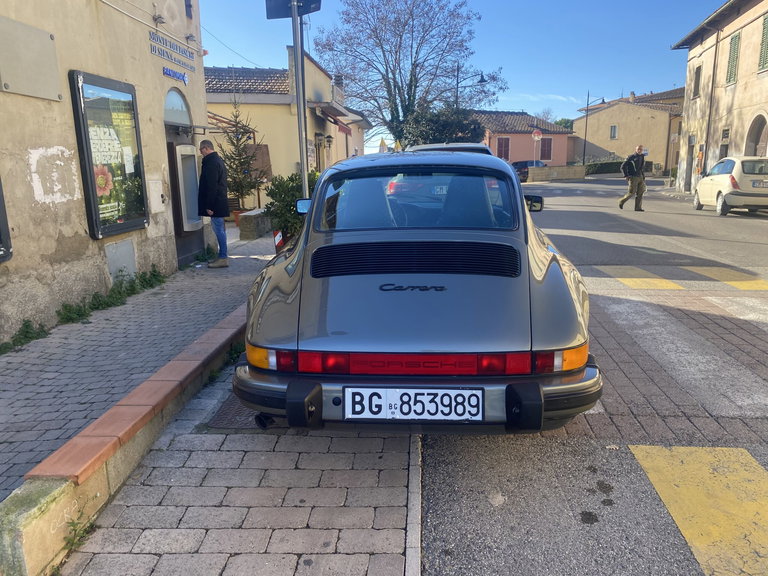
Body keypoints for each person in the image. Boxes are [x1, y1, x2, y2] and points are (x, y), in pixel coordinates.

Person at [198, 140, 230, 267]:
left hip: (215, 204)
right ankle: (223, 256)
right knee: (220, 229)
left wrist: (209, 206)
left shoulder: (211, 163)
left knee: (219, 230)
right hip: (219, 201)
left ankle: (223, 257)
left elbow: (212, 186)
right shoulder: (218, 160)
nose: (200, 152)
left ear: (206, 148)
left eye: (201, 150)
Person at [619, 144, 646, 212]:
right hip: (633, 177)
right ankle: (621, 201)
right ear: (636, 150)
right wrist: (626, 175)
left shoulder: (642, 156)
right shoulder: (631, 157)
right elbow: (622, 167)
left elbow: (641, 168)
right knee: (632, 193)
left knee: (640, 192)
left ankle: (638, 208)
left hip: (640, 177)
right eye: (638, 149)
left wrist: (643, 176)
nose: (639, 150)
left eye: (641, 149)